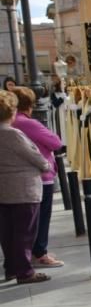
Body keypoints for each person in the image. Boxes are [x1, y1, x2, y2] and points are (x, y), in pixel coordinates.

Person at [0, 90, 51, 284]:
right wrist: (45, 165)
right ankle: (25, 271)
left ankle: (11, 268)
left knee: (8, 233)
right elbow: (34, 156)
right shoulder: (13, 134)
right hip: (23, 189)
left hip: (3, 190)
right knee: (24, 232)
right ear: (11, 112)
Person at [11, 87, 64, 268]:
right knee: (41, 217)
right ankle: (40, 252)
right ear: (30, 105)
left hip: (18, 179)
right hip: (41, 176)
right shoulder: (26, 123)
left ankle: (32, 252)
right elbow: (56, 142)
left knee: (26, 220)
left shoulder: (10, 122)